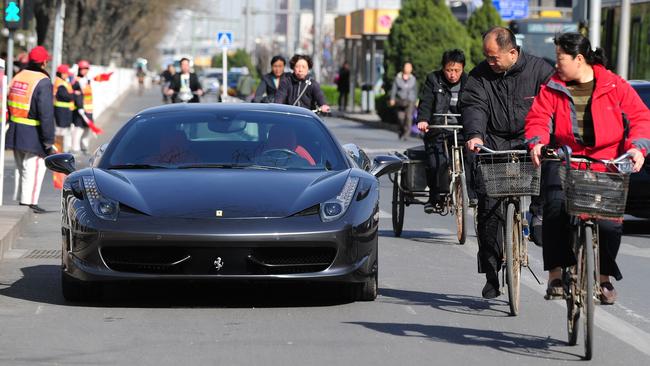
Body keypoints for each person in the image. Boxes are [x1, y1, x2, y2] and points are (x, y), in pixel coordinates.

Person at [526, 32, 650, 304]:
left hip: (606, 164)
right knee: (555, 209)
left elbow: (641, 117)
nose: (556, 64)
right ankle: (555, 275)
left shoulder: (614, 86)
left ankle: (603, 276)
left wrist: (637, 148)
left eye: (561, 58)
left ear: (578, 59)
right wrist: (537, 142)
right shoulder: (552, 88)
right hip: (564, 160)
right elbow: (538, 119)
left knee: (609, 225)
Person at [462, 26, 554, 299]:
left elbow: (554, 105)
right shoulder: (479, 76)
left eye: (494, 57)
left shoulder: (540, 71)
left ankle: (537, 214)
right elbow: (473, 106)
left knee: (550, 172)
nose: (489, 62)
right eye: (486, 57)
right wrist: (476, 135)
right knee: (488, 210)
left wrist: (546, 137)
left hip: (531, 140)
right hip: (495, 141)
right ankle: (492, 274)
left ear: (512, 52)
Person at [416, 49, 469, 213]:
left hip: (461, 130)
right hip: (437, 129)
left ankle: (472, 194)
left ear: (462, 69)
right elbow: (426, 102)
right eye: (449, 70)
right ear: (443, 68)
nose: (452, 75)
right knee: (435, 163)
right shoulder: (434, 79)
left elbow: (476, 105)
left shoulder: (469, 81)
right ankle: (434, 198)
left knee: (472, 160)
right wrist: (423, 120)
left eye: (456, 71)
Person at [5, 46, 57, 213]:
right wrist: (48, 140)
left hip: (15, 128)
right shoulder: (42, 81)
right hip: (33, 132)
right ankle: (29, 202)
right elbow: (46, 114)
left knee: (21, 168)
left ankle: (22, 199)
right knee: (34, 167)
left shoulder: (19, 76)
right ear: (44, 62)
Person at [71, 59, 103, 154]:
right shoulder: (76, 81)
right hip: (80, 109)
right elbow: (77, 95)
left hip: (88, 109)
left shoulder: (88, 80)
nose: (85, 70)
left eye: (86, 69)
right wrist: (80, 107)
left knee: (87, 129)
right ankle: (75, 148)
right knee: (78, 129)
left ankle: (84, 146)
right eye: (83, 69)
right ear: (79, 69)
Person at [389, 62, 417, 140]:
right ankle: (401, 130)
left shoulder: (413, 79)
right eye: (406, 67)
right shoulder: (398, 78)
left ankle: (406, 134)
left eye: (410, 67)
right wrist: (392, 98)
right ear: (403, 68)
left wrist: (416, 100)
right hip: (400, 100)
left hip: (410, 100)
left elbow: (415, 91)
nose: (408, 69)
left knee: (408, 117)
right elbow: (394, 89)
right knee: (400, 117)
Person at [53, 64, 74, 152]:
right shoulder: (60, 83)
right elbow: (65, 96)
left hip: (64, 111)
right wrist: (74, 95)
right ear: (61, 73)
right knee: (60, 131)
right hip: (61, 111)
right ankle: (60, 149)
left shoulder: (62, 81)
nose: (67, 75)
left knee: (63, 131)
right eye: (66, 73)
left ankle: (62, 149)